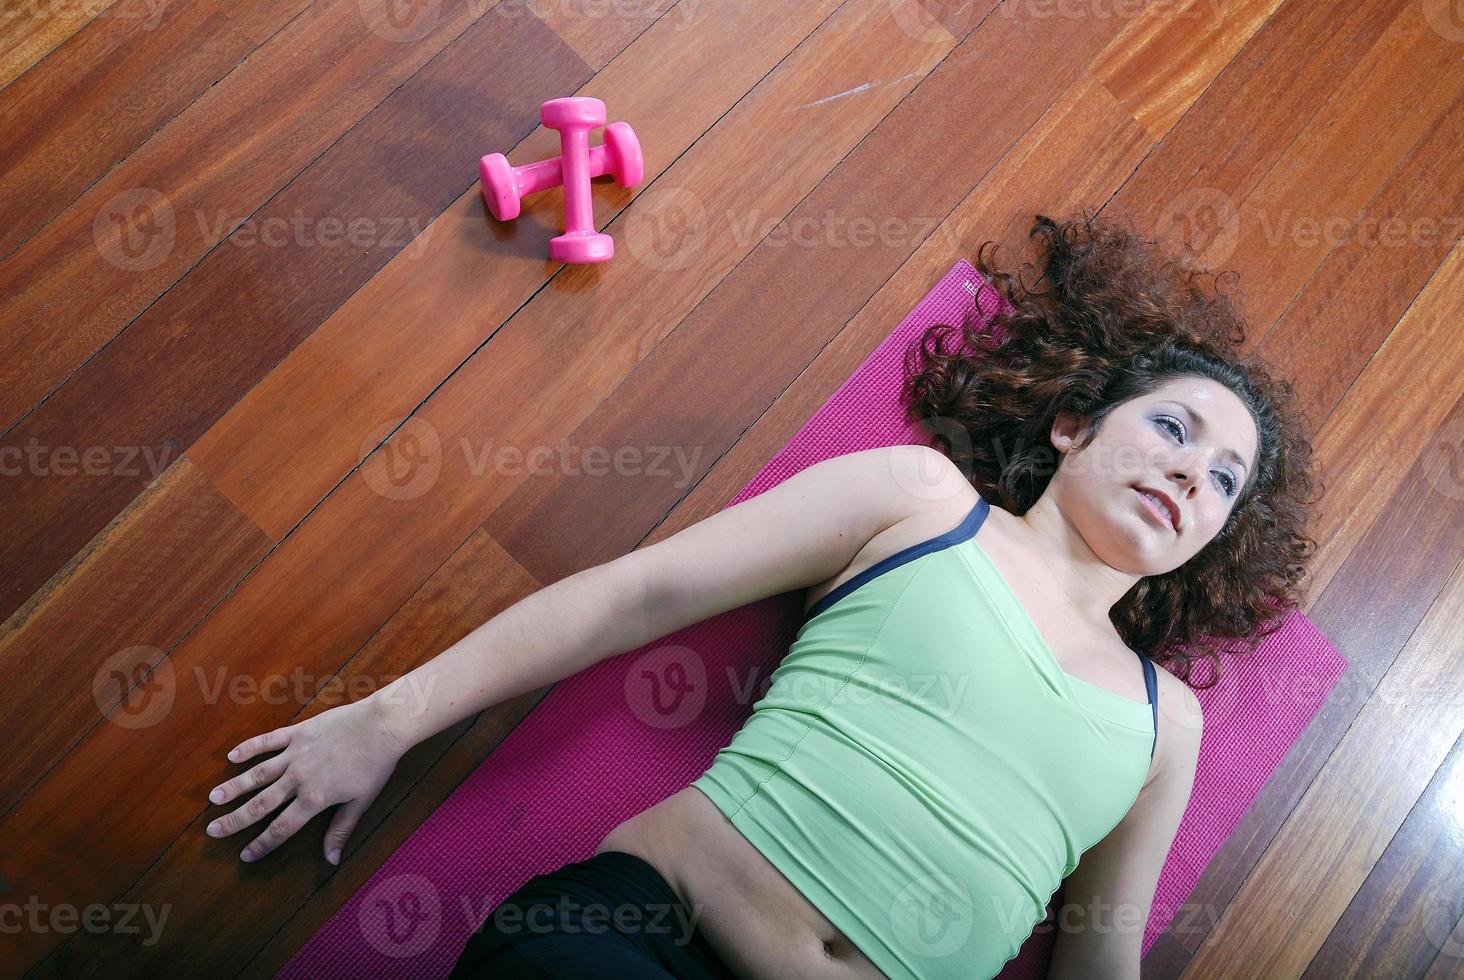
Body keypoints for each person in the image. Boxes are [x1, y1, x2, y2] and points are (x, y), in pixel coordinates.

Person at [204, 211, 1319, 978]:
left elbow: (1096, 956)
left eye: (1224, 478)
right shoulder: (927, 503)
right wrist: (386, 719)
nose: (1191, 472)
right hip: (641, 939)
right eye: (1174, 427)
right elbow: (640, 594)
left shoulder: (1169, 721)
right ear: (1072, 423)